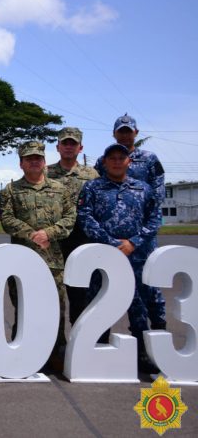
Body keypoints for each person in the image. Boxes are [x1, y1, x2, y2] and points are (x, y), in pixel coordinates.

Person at [78, 143, 164, 373]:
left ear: (129, 162)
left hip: (137, 256)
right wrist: (111, 242)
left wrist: (133, 242)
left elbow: (155, 220)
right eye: (112, 158)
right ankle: (98, 348)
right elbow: (85, 217)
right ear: (104, 162)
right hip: (103, 255)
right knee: (98, 301)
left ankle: (142, 352)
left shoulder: (144, 189)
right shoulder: (92, 188)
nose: (117, 161)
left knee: (139, 305)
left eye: (121, 158)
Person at [0, 141, 75, 371]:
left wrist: (49, 233)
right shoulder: (11, 190)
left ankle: (56, 351)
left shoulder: (60, 189)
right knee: (22, 305)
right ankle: (20, 350)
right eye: (29, 158)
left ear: (44, 162)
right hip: (22, 260)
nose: (34, 161)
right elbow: (6, 219)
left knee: (56, 308)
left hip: (52, 261)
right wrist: (32, 234)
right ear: (21, 163)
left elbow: (71, 217)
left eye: (38, 158)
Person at [46, 127, 98, 325]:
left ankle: (78, 337)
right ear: (57, 147)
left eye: (73, 143)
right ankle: (56, 342)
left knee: (80, 292)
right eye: (65, 143)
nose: (68, 147)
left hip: (81, 238)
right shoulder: (46, 172)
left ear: (80, 147)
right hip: (54, 240)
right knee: (53, 291)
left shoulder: (91, 174)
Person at [95, 114, 165, 203]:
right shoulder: (103, 161)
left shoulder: (149, 158)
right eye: (121, 132)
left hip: (140, 214)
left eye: (128, 132)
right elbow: (95, 188)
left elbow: (158, 191)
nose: (124, 135)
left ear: (136, 132)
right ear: (114, 133)